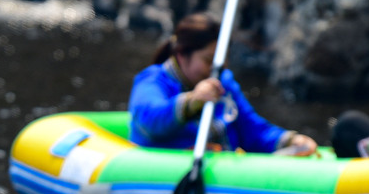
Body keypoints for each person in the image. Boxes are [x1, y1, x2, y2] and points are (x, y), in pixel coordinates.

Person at [129, 12, 318, 156]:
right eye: (208, 60)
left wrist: (288, 140)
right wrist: (192, 101)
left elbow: (250, 129)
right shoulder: (153, 80)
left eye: (222, 59)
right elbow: (149, 120)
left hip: (224, 165)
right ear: (181, 55)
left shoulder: (223, 80)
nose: (217, 68)